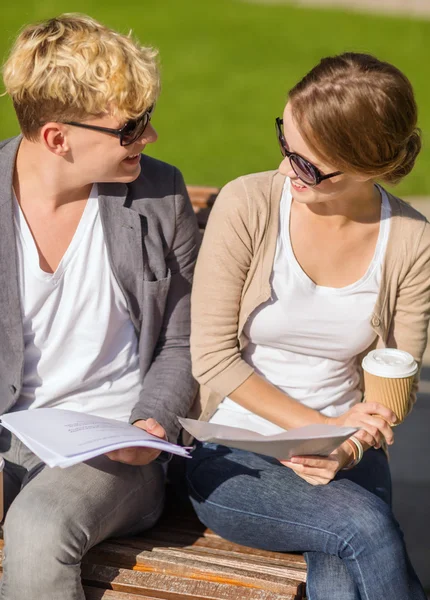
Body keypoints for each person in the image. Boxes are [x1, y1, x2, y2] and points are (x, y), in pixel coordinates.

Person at [187, 52, 429, 600]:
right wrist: (314, 432)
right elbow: (212, 357)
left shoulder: (412, 240)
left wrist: (343, 447)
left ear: (369, 167)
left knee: (346, 566)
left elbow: (396, 380)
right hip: (237, 452)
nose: (285, 171)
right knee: (364, 527)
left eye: (309, 166)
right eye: (285, 145)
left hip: (350, 454)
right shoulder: (248, 203)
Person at [0, 13, 199, 600]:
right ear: (58, 138)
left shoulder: (160, 195)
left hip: (113, 444)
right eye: (130, 127)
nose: (150, 138)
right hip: (10, 434)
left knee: (37, 530)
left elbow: (185, 339)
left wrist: (154, 421)